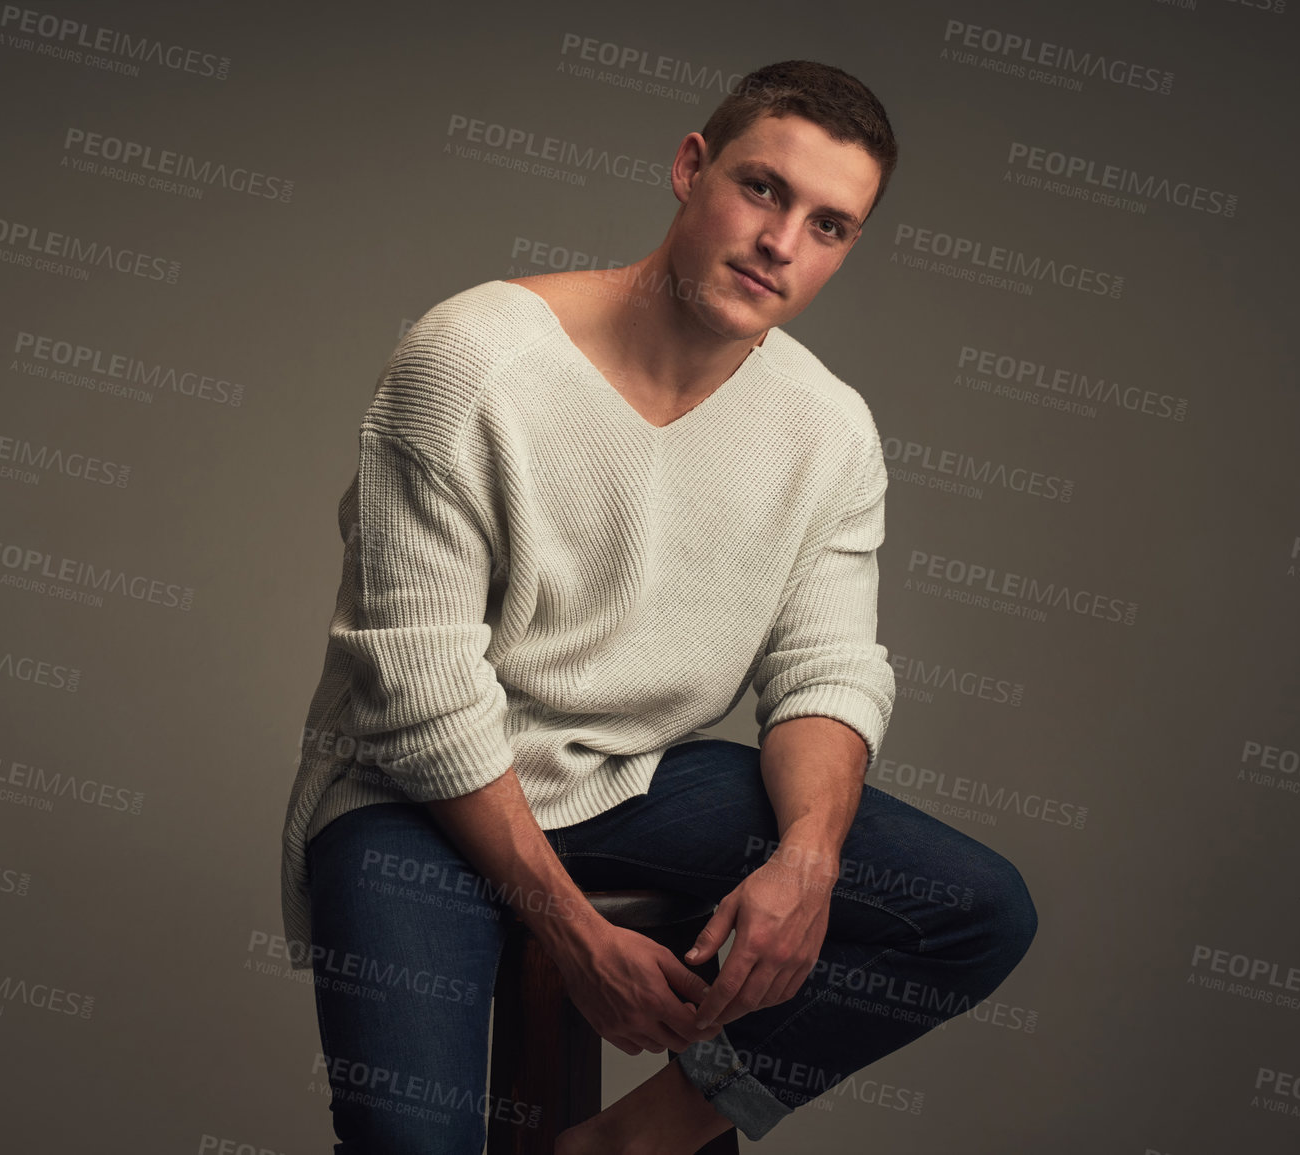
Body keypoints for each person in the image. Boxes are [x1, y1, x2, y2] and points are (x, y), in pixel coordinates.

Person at [278, 59, 1038, 1154]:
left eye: (829, 225)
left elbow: (827, 672)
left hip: (631, 780)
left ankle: (628, 1145)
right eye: (764, 189)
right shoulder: (472, 361)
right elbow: (419, 691)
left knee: (975, 908)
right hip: (415, 794)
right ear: (692, 169)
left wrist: (808, 864)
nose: (782, 242)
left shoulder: (829, 431)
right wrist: (573, 934)